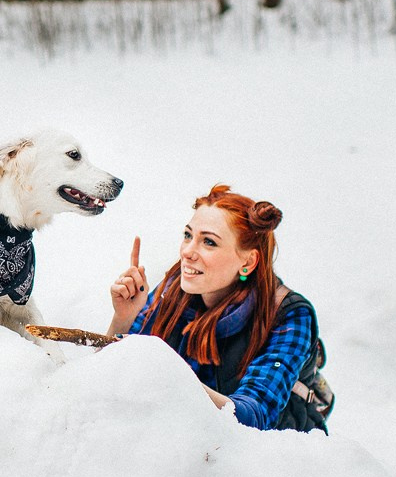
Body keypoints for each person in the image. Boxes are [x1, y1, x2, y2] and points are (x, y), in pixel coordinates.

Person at [108, 184, 328, 432]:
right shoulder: (172, 290)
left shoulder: (290, 315)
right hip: (189, 441)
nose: (188, 252)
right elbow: (113, 378)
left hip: (271, 461)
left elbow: (255, 416)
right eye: (188, 235)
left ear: (247, 262)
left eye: (209, 242)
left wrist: (170, 375)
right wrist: (123, 319)